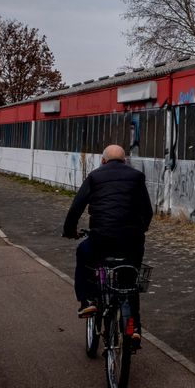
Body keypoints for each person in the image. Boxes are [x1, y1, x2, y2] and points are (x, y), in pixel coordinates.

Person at [63, 144, 152, 339]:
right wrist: (140, 229)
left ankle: (88, 301)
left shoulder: (95, 176)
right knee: (130, 282)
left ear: (103, 161)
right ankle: (134, 328)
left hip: (101, 240)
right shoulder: (137, 177)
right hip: (132, 243)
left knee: (83, 253)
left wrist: (70, 231)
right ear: (125, 161)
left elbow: (76, 206)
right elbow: (147, 211)